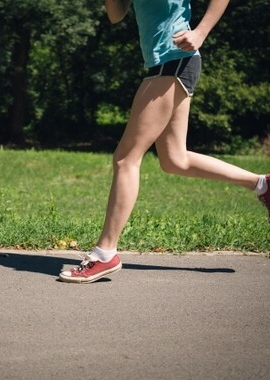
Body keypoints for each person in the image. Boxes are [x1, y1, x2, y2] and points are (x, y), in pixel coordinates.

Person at [59, 0, 270, 284]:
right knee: (174, 159)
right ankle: (263, 185)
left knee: (126, 158)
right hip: (166, 62)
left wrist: (201, 32)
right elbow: (116, 15)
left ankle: (105, 254)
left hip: (175, 59)